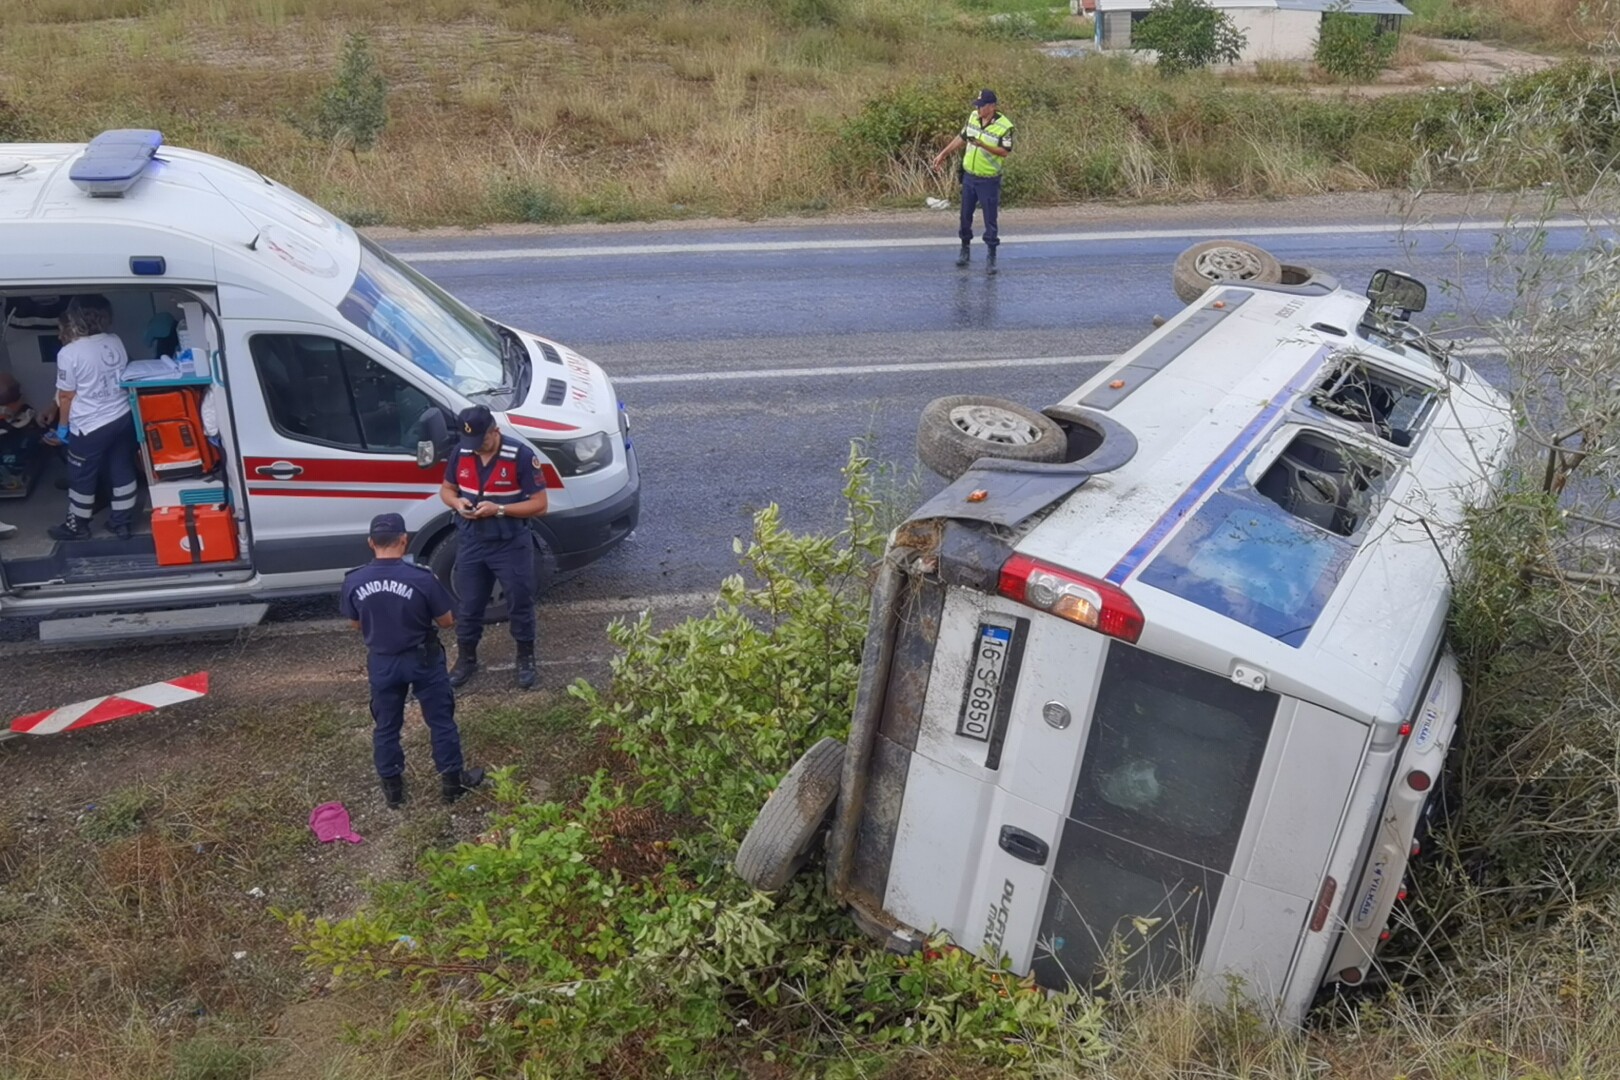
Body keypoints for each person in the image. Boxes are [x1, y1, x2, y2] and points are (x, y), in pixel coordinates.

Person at [341, 512, 487, 808]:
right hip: (423, 659)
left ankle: (393, 792)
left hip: (382, 663)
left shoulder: (354, 580)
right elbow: (445, 621)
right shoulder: (421, 577)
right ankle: (452, 784)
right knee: (441, 721)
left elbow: (354, 623)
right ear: (404, 540)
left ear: (371, 542)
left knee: (386, 726)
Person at [439, 405, 550, 690]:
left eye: (482, 441)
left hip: (510, 542)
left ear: (495, 431)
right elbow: (447, 489)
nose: (476, 448)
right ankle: (466, 659)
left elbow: (540, 505)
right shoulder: (462, 453)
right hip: (472, 541)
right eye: (471, 443)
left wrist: (499, 509)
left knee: (519, 601)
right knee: (469, 604)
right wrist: (456, 503)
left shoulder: (520, 456)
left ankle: (525, 658)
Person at [49, 295, 139, 541]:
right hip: (122, 417)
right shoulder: (114, 340)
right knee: (121, 468)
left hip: (90, 426)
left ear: (74, 319)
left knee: (81, 476)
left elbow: (66, 396)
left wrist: (62, 428)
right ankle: (122, 523)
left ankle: (77, 526)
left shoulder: (69, 352)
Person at [931, 89, 1015, 276]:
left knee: (990, 219)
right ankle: (965, 249)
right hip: (969, 176)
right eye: (977, 105)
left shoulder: (1005, 126)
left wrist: (983, 145)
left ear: (992, 107)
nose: (978, 109)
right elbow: (961, 138)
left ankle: (991, 256)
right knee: (965, 216)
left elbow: (1005, 152)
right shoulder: (973, 118)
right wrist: (943, 154)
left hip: (988, 179)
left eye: (981, 106)